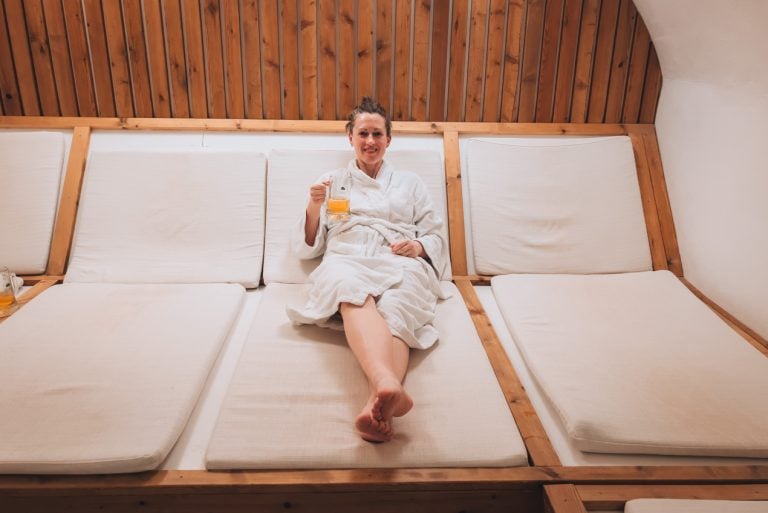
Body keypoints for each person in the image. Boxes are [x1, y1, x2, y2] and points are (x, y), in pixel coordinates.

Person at [286, 97, 449, 443]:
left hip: (398, 258)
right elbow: (307, 246)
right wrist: (314, 206)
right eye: (363, 133)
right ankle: (386, 387)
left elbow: (434, 233)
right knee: (349, 289)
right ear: (350, 137)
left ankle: (378, 398)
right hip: (347, 256)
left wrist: (418, 247)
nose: (370, 141)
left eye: (377, 134)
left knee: (397, 307)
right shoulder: (332, 180)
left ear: (389, 140)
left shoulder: (411, 183)